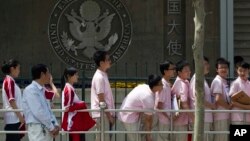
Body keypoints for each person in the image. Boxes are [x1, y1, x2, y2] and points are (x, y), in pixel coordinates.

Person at [118, 74, 163, 141]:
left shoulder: (145, 87)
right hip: (129, 117)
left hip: (130, 113)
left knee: (154, 117)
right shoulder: (148, 98)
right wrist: (148, 136)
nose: (163, 85)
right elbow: (148, 119)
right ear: (155, 86)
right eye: (161, 84)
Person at [22, 64, 60, 141]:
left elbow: (48, 110)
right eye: (48, 73)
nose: (49, 76)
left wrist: (55, 124)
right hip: (38, 129)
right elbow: (38, 111)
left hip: (46, 128)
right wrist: (52, 127)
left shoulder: (42, 89)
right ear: (42, 74)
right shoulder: (30, 90)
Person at [61, 67, 95, 141]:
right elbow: (67, 108)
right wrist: (82, 104)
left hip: (76, 122)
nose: (77, 76)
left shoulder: (69, 88)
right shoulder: (68, 89)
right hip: (74, 123)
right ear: (69, 76)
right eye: (76, 75)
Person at [189, 57, 215, 141]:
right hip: (202, 119)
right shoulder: (197, 80)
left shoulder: (201, 79)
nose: (208, 66)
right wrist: (212, 106)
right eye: (205, 64)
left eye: (207, 63)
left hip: (205, 118)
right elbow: (199, 99)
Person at [91, 51, 115, 141]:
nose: (110, 61)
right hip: (101, 114)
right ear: (101, 63)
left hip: (104, 114)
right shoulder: (99, 77)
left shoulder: (103, 75)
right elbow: (101, 100)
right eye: (108, 60)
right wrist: (109, 116)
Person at [1, 59, 25, 141]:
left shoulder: (10, 81)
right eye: (18, 68)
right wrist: (20, 116)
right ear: (12, 69)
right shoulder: (9, 81)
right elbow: (12, 100)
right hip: (13, 119)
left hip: (14, 118)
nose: (19, 71)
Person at [171, 60, 194, 141]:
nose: (189, 72)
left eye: (189, 70)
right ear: (179, 73)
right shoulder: (181, 84)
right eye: (186, 70)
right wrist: (194, 118)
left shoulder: (184, 82)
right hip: (180, 121)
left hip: (182, 120)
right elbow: (184, 103)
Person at [211, 58, 231, 141]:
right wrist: (229, 107)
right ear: (217, 69)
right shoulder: (217, 81)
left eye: (226, 67)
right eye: (221, 67)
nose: (224, 69)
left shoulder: (224, 81)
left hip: (225, 116)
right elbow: (218, 99)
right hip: (220, 116)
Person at [155, 61, 175, 141]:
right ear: (165, 71)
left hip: (165, 119)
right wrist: (169, 116)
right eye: (172, 69)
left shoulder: (167, 84)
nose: (174, 71)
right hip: (163, 119)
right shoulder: (162, 85)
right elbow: (159, 105)